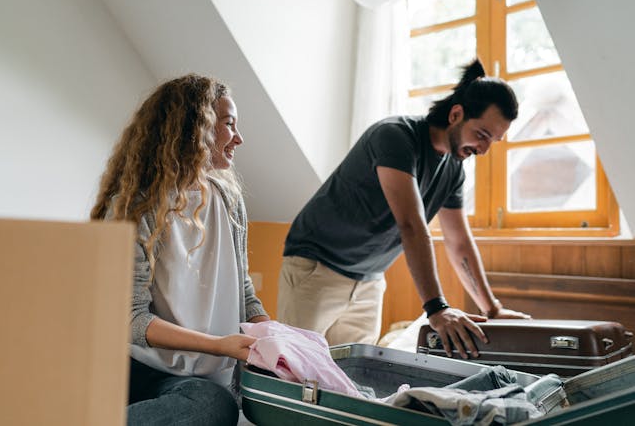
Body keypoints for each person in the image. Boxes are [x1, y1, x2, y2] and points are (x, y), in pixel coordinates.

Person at [277, 58, 530, 358]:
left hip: (369, 280)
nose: (484, 150)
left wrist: (493, 309)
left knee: (350, 376)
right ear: (456, 114)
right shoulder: (396, 136)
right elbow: (411, 224)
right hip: (317, 268)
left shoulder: (453, 170)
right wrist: (437, 308)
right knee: (292, 368)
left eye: (494, 141)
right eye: (482, 135)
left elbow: (459, 242)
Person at [90, 74, 270, 426]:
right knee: (210, 405)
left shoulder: (229, 202)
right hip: (142, 368)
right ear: (195, 128)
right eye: (229, 124)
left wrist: (276, 337)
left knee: (221, 404)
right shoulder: (135, 210)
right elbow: (129, 319)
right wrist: (220, 346)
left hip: (205, 372)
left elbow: (244, 293)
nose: (239, 138)